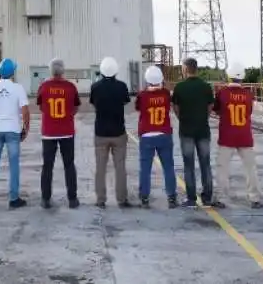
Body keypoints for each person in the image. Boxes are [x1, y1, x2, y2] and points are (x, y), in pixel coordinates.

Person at [213, 63, 263, 209]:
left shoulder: (222, 93)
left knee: (223, 167)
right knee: (250, 168)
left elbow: (216, 109)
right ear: (242, 77)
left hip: (227, 136)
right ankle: (254, 198)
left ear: (228, 76)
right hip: (244, 135)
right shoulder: (248, 94)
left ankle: (221, 197)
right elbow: (249, 112)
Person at [0, 58, 30, 209]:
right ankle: (13, 198)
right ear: (12, 73)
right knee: (14, 165)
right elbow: (25, 111)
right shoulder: (18, 88)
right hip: (12, 131)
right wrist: (25, 128)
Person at [172, 57, 217, 208]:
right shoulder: (206, 86)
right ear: (196, 69)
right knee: (205, 164)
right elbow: (210, 106)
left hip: (186, 131)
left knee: (188, 165)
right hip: (203, 130)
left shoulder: (179, 87)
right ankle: (208, 197)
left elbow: (176, 109)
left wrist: (183, 119)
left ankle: (191, 199)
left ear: (185, 69)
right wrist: (202, 117)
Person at [36, 58, 81, 209]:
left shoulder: (44, 86)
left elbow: (41, 106)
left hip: (49, 132)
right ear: (63, 70)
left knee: (47, 166)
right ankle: (72, 199)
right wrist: (66, 116)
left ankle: (45, 199)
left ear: (50, 70)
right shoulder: (70, 87)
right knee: (69, 165)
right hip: (66, 131)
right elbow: (75, 107)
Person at [89, 56, 133, 209]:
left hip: (101, 132)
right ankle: (122, 199)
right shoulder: (122, 86)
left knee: (100, 168)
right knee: (120, 167)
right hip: (118, 132)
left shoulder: (95, 87)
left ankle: (101, 199)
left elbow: (93, 102)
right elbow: (126, 101)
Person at [135, 65, 178, 209]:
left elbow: (138, 108)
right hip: (164, 133)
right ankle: (171, 197)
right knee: (168, 167)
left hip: (147, 134)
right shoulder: (166, 93)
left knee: (145, 168)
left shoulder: (142, 95)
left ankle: (145, 197)